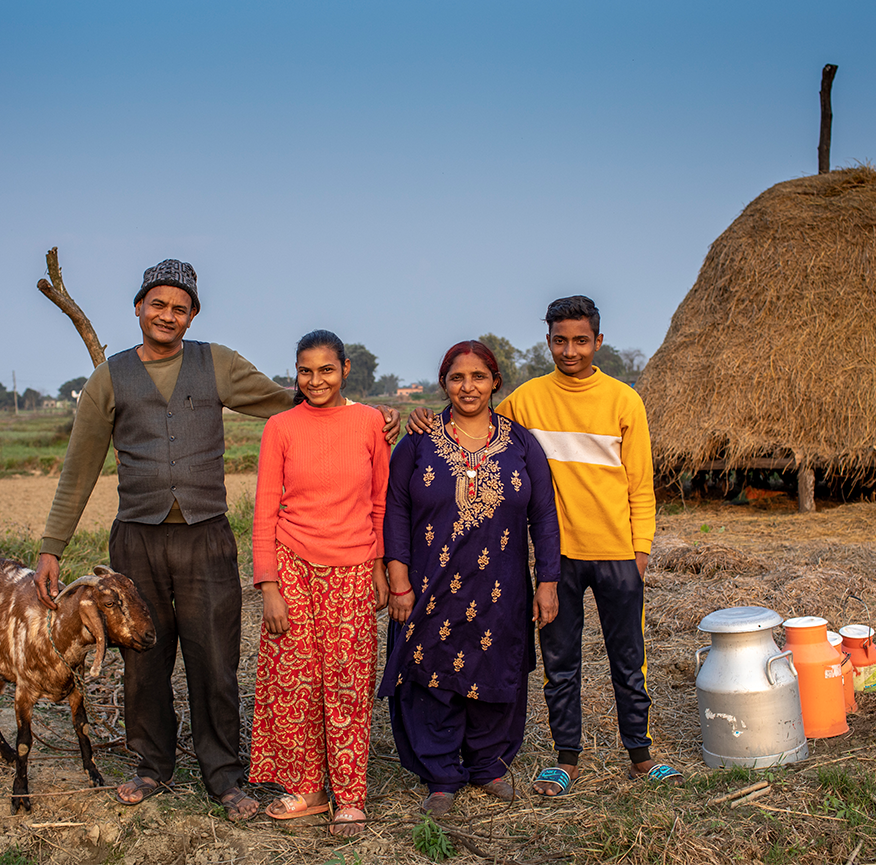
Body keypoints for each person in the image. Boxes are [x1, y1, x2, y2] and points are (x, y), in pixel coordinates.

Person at [32, 260, 396, 820]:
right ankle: (151, 764)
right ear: (138, 307)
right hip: (138, 540)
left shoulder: (216, 363)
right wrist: (52, 545)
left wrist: (368, 419)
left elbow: (293, 402)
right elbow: (80, 468)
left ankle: (224, 775)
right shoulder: (109, 377)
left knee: (215, 659)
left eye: (180, 308)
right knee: (143, 657)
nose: (167, 315)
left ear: (193, 314)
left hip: (206, 539)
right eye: (158, 304)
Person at [407, 296, 681, 797]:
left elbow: (641, 484)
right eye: (560, 340)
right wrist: (423, 418)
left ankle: (641, 754)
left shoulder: (624, 400)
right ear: (548, 341)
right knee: (560, 662)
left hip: (619, 554)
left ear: (598, 342)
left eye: (580, 341)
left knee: (629, 657)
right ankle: (565, 759)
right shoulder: (527, 400)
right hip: (557, 561)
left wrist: (640, 550)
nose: (570, 350)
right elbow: (473, 418)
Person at [381, 341, 560, 817]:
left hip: (500, 587)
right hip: (431, 582)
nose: (468, 387)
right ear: (445, 384)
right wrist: (398, 578)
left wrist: (548, 581)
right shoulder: (418, 441)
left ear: (495, 382)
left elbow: (543, 514)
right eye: (458, 378)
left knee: (495, 668)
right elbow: (395, 509)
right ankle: (441, 775)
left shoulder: (521, 443)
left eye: (479, 377)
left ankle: (488, 765)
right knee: (432, 672)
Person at [249, 330, 390, 837]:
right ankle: (307, 788)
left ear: (345, 369)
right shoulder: (281, 427)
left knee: (348, 682)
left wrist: (378, 566)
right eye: (305, 371)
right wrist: (268, 585)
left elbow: (380, 503)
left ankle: (349, 795)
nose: (315, 381)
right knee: (295, 681)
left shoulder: (370, 422)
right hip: (292, 566)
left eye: (326, 370)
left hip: (353, 567)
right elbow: (265, 508)